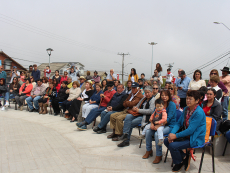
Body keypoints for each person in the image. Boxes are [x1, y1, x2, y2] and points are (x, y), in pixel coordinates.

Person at [164, 90, 206, 172]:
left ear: (197, 101)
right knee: (166, 140)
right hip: (185, 135)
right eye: (187, 98)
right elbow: (178, 123)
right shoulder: (186, 109)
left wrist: (175, 136)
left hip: (194, 138)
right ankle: (183, 157)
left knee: (173, 146)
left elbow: (191, 130)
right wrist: (172, 133)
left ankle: (179, 162)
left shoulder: (199, 112)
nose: (188, 100)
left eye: (190, 99)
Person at [143, 90, 176, 164]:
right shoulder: (158, 103)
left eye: (166, 95)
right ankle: (149, 150)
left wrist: (159, 125)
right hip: (157, 124)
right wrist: (152, 123)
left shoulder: (172, 105)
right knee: (148, 132)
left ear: (169, 96)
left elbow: (169, 118)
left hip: (169, 125)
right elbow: (153, 115)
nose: (164, 97)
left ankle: (159, 155)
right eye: (162, 95)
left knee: (156, 134)